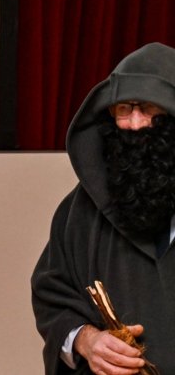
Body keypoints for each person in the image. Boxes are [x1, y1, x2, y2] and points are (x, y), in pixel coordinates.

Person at [31, 42, 175, 375]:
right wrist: (85, 339)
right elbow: (52, 296)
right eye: (124, 108)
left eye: (149, 108)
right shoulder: (81, 210)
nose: (135, 124)